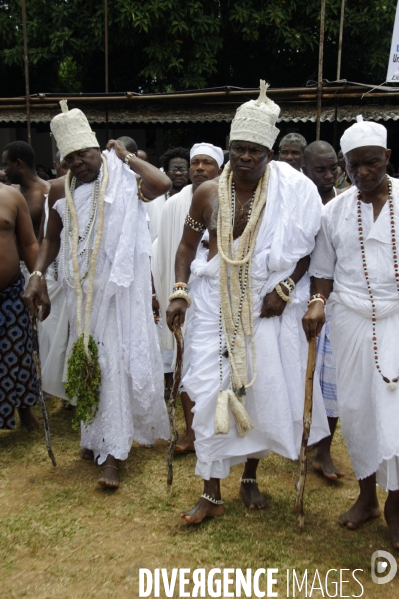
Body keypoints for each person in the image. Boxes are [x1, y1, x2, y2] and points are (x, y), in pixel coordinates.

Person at [166, 82, 329, 524]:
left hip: (265, 306)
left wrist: (286, 289)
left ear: (269, 153)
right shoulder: (207, 193)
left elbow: (313, 249)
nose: (246, 158)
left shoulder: (293, 191)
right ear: (228, 149)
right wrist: (179, 290)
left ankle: (249, 477)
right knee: (205, 394)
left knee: (255, 393)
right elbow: (185, 248)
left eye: (255, 150)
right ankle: (210, 492)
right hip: (213, 304)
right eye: (238, 149)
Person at [23, 102, 171, 489]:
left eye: (84, 155)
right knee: (90, 362)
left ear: (98, 150)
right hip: (81, 292)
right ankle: (94, 437)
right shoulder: (60, 189)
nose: (78, 163)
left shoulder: (124, 178)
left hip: (119, 296)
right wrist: (38, 273)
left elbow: (162, 185)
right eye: (69, 158)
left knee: (112, 364)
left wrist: (127, 158)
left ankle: (114, 452)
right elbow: (51, 238)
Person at [303, 116, 399, 549]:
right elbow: (322, 272)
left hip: (397, 320)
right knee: (358, 412)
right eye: (354, 165)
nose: (362, 173)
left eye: (371, 163)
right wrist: (318, 302)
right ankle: (367, 498)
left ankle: (395, 506)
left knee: (395, 420)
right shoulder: (334, 211)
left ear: (387, 158)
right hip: (351, 322)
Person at [152, 143, 223, 452]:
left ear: (219, 169)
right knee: (185, 361)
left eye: (207, 163)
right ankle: (192, 433)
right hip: (184, 296)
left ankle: (222, 429)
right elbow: (164, 254)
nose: (198, 168)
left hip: (220, 297)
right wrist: (168, 293)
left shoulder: (225, 198)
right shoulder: (172, 206)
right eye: (195, 162)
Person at [303, 141, 344, 480]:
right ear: (305, 169)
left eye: (334, 168)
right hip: (299, 302)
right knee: (301, 376)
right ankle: (299, 439)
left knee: (332, 380)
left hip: (340, 304)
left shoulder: (345, 204)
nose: (329, 175)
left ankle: (324, 450)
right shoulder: (296, 202)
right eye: (321, 169)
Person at [0, 181, 39, 431]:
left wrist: (38, 280)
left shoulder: (11, 196)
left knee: (19, 352)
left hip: (10, 291)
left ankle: (25, 410)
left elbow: (28, 243)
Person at [2, 141, 50, 239]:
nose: (4, 170)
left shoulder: (46, 193)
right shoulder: (13, 192)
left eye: (6, 164)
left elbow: (52, 238)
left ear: (18, 164)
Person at [146, 147, 191, 243]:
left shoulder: (196, 197)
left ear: (189, 173)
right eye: (174, 169)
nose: (178, 173)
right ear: (166, 172)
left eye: (183, 169)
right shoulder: (153, 199)